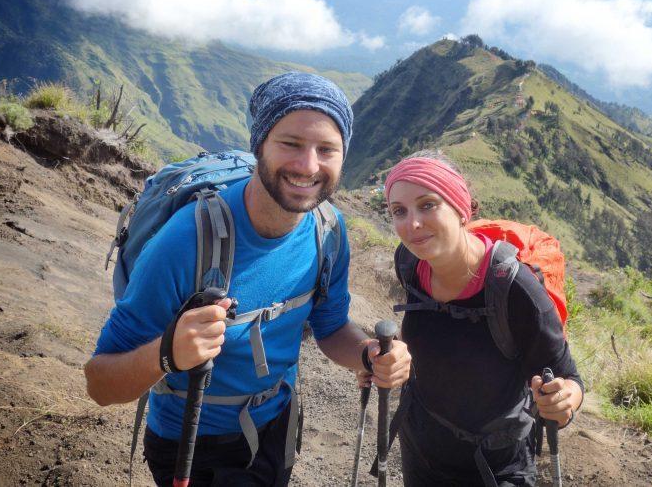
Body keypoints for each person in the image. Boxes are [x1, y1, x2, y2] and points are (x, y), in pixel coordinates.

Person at [84, 72, 411, 487]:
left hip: (277, 426)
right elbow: (100, 384)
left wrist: (368, 355)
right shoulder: (187, 241)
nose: (308, 165)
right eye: (290, 144)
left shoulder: (328, 230)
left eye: (326, 149)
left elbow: (329, 328)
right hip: (191, 444)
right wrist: (167, 353)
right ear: (259, 145)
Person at [366, 151, 583, 487]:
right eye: (399, 211)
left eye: (427, 205)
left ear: (460, 208)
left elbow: (567, 375)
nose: (412, 224)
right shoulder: (410, 262)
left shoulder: (515, 290)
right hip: (422, 448)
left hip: (497, 464)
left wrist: (565, 397)